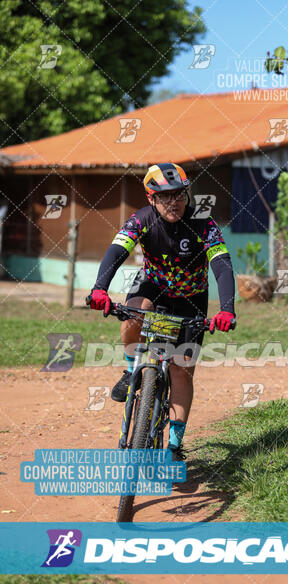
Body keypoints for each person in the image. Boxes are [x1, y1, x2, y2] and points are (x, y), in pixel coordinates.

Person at [88, 163, 236, 459]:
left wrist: (227, 308)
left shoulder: (203, 223)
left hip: (192, 298)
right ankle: (131, 370)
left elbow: (221, 265)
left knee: (182, 372)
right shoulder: (141, 220)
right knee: (132, 312)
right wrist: (99, 288)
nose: (173, 202)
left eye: (179, 195)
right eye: (164, 196)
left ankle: (175, 446)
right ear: (150, 198)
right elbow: (117, 252)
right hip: (153, 287)